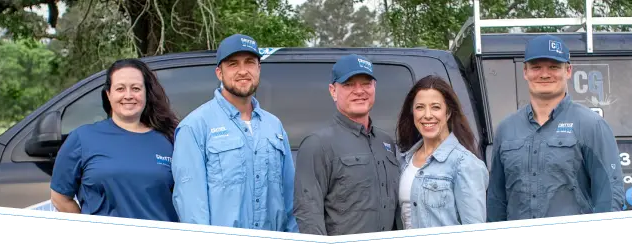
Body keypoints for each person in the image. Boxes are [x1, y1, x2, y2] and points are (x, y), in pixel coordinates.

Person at [486, 35, 627, 222]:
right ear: (525, 72)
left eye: (553, 67)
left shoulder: (591, 125)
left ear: (568, 71)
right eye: (536, 67)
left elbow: (609, 197)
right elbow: (496, 201)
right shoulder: (506, 129)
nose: (544, 74)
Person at [171, 33, 297, 232]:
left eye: (249, 62)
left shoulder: (274, 127)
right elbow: (192, 207)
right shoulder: (195, 127)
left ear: (259, 69)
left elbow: (291, 198)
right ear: (219, 73)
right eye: (233, 64)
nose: (243, 71)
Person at [49, 58, 182, 222]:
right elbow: (60, 198)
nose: (128, 95)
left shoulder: (170, 140)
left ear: (146, 94)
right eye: (120, 89)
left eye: (136, 88)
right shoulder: (83, 138)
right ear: (108, 94)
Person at [293, 54, 401, 235]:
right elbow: (308, 213)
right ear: (333, 91)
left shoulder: (385, 142)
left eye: (366, 84)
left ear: (374, 87)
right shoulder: (317, 144)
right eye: (349, 84)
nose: (359, 91)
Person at [395, 75, 488, 229]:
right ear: (412, 112)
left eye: (436, 107)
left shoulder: (465, 163)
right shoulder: (404, 160)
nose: (427, 115)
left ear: (448, 112)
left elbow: (474, 229)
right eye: (420, 107)